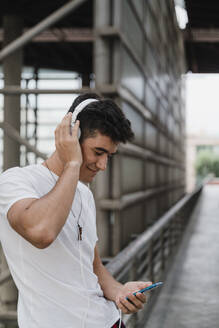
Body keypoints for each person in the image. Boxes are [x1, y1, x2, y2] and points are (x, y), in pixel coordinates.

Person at [0, 93, 152, 328]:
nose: (103, 166)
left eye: (109, 156)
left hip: (109, 321)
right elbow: (42, 232)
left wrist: (120, 291)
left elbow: (94, 268)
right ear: (72, 137)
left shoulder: (85, 195)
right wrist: (72, 163)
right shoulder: (16, 181)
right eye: (98, 152)